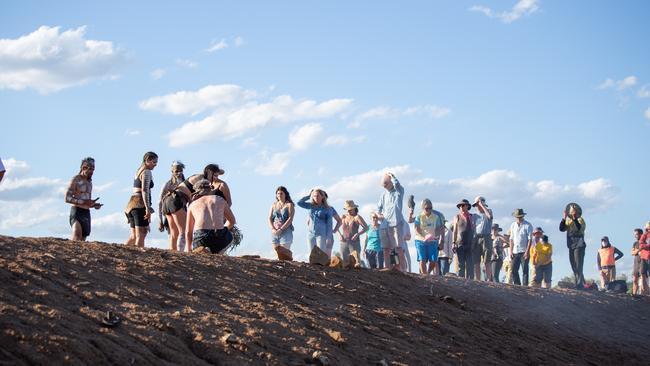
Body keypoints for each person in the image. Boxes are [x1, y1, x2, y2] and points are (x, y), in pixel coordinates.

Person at [186, 179, 236, 254]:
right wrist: (224, 229)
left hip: (201, 237)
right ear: (211, 189)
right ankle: (219, 252)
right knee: (229, 237)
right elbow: (232, 221)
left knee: (200, 243)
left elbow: (188, 231)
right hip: (219, 235)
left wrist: (189, 249)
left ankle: (204, 249)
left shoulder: (192, 205)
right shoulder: (220, 199)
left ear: (197, 192)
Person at [64, 157, 102, 241]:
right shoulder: (76, 179)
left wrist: (94, 205)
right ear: (83, 168)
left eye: (93, 169)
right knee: (77, 234)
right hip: (77, 211)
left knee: (83, 239)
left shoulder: (89, 183)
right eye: (90, 169)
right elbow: (67, 198)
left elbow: (87, 202)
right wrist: (83, 202)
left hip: (86, 213)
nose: (92, 172)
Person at [125, 152, 158, 248]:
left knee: (134, 236)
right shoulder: (146, 172)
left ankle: (121, 252)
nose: (155, 164)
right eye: (154, 162)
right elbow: (144, 190)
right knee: (141, 234)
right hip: (139, 204)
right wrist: (147, 207)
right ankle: (139, 256)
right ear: (147, 160)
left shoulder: (138, 171)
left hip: (131, 205)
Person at [297, 188, 341, 256]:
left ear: (322, 197)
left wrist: (329, 236)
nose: (316, 197)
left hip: (321, 234)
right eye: (314, 196)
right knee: (312, 255)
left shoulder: (328, 208)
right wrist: (308, 196)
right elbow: (299, 203)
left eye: (318, 196)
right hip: (311, 233)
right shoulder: (310, 206)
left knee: (321, 254)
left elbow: (330, 224)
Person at [376, 172, 406, 270]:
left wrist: (392, 176)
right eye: (383, 185)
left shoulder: (399, 191)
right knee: (385, 248)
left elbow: (397, 184)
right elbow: (378, 208)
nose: (384, 186)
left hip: (396, 223)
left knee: (398, 248)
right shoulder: (383, 194)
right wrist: (379, 215)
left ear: (391, 182)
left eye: (386, 184)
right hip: (384, 224)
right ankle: (388, 269)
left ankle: (403, 269)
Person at [158, 161, 186, 251]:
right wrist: (160, 220)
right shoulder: (167, 184)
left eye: (181, 171)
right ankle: (176, 252)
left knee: (175, 232)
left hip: (179, 207)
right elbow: (160, 201)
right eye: (176, 171)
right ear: (172, 172)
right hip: (171, 208)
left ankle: (173, 252)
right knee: (176, 232)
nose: (179, 173)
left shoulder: (185, 183)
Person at [413, 199, 444, 275]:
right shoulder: (419, 217)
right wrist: (424, 237)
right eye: (427, 208)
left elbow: (440, 228)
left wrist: (438, 238)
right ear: (423, 208)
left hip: (432, 240)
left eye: (430, 208)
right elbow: (417, 228)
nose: (429, 210)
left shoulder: (436, 217)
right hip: (420, 240)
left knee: (433, 260)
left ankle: (428, 273)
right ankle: (424, 275)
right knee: (422, 259)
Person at [559, 203, 587, 289]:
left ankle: (580, 284)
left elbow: (578, 228)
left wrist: (575, 219)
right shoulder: (568, 220)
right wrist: (564, 218)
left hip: (579, 244)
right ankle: (578, 282)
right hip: (571, 245)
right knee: (573, 265)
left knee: (578, 265)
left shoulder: (581, 220)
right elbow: (561, 229)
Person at [338, 200, 368, 264]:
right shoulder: (343, 217)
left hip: (354, 243)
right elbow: (336, 228)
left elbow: (366, 228)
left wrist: (358, 234)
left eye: (350, 209)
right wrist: (339, 235)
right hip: (343, 243)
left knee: (355, 262)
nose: (348, 211)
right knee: (344, 263)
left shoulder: (357, 217)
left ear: (354, 208)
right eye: (347, 209)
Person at [509, 208, 533, 286]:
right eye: (517, 217)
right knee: (513, 270)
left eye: (520, 217)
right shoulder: (513, 225)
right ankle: (517, 285)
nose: (518, 218)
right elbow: (511, 239)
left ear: (522, 216)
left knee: (525, 270)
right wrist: (510, 251)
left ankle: (525, 286)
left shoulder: (528, 225)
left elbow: (530, 239)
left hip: (524, 251)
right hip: (515, 251)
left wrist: (527, 252)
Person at [472, 196, 493, 281]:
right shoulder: (474, 215)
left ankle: (488, 280)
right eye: (476, 205)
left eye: (478, 204)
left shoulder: (488, 211)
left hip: (486, 237)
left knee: (487, 261)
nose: (477, 206)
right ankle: (477, 280)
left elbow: (490, 217)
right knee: (476, 261)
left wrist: (482, 205)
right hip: (476, 237)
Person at [452, 199, 474, 279]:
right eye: (460, 206)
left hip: (470, 243)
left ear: (467, 206)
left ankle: (471, 282)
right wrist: (453, 243)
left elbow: (474, 229)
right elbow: (454, 230)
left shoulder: (472, 217)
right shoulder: (457, 217)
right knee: (461, 264)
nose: (461, 207)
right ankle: (460, 281)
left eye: (463, 205)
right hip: (459, 243)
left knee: (470, 264)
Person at [631, 228, 644, 295]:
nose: (635, 236)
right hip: (636, 263)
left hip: (643, 263)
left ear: (641, 234)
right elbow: (632, 253)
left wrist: (637, 251)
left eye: (636, 234)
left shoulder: (645, 242)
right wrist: (638, 250)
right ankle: (634, 294)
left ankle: (643, 295)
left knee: (642, 280)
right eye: (635, 234)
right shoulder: (635, 243)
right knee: (634, 279)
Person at [638, 222, 650, 295]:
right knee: (642, 273)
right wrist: (648, 245)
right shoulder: (644, 235)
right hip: (644, 257)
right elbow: (641, 245)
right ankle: (644, 292)